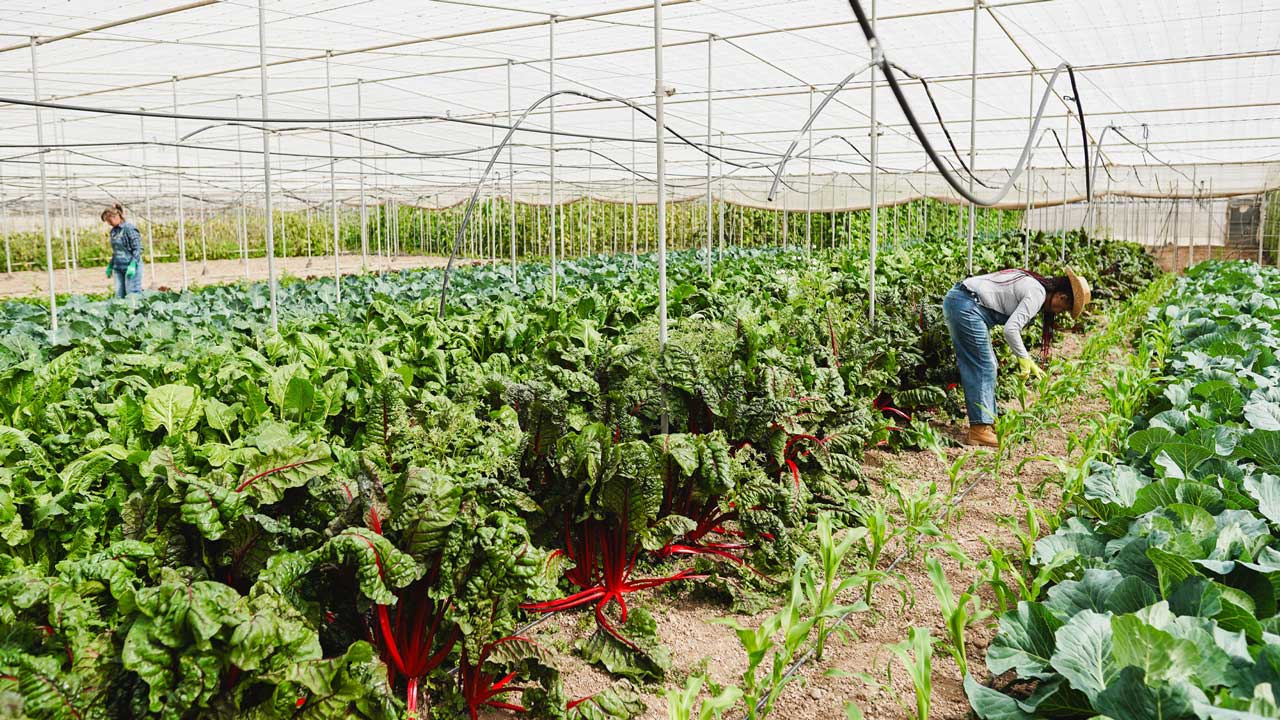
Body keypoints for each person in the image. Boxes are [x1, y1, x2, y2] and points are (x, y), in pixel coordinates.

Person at [942, 267, 1091, 447]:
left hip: (963, 301)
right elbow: (1011, 329)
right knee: (983, 365)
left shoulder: (1036, 286)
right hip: (966, 305)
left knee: (987, 363)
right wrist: (1024, 358)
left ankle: (988, 423)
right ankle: (979, 430)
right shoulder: (1037, 293)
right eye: (1064, 309)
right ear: (1062, 297)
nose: (1059, 313)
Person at [102, 204, 143, 297]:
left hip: (130, 265)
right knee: (119, 294)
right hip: (118, 266)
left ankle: (135, 311)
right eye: (107, 221)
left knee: (132, 293)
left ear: (117, 216)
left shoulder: (129, 228)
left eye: (109, 220)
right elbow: (116, 250)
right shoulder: (113, 231)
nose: (109, 223)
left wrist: (133, 264)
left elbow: (138, 248)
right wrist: (111, 265)